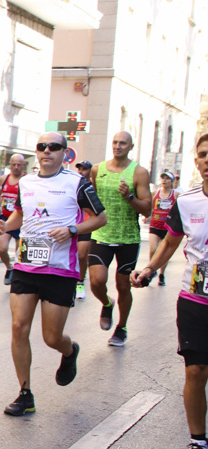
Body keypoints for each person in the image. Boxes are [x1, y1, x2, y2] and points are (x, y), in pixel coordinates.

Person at [0, 133, 106, 416]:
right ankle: (25, 393)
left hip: (60, 269)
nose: (46, 151)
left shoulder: (77, 184)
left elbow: (100, 218)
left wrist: (72, 230)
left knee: (51, 337)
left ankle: (69, 352)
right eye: (41, 147)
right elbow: (21, 215)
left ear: (65, 153)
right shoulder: (26, 183)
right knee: (19, 327)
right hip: (26, 264)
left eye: (53, 147)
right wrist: (5, 227)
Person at [131, 133, 208, 449]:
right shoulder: (188, 201)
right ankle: (198, 442)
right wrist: (149, 268)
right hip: (195, 299)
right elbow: (171, 242)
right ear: (197, 161)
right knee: (195, 371)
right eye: (203, 154)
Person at [88, 131, 152, 346]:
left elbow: (147, 209)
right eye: (115, 142)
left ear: (131, 146)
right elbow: (92, 200)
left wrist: (129, 197)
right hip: (101, 234)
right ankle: (107, 303)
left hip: (128, 238)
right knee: (97, 281)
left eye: (123, 143)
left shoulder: (139, 172)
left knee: (123, 286)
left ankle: (121, 327)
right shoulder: (98, 169)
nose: (118, 146)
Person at [0, 154, 25, 285]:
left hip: (21, 220)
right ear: (10, 165)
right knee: (2, 249)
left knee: (19, 252)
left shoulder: (27, 180)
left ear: (24, 165)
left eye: (19, 164)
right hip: (5, 219)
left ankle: (18, 275)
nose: (16, 167)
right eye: (14, 164)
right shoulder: (4, 179)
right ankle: (9, 267)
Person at [144, 170, 176, 286]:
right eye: (163, 178)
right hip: (155, 225)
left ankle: (162, 273)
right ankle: (152, 269)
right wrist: (147, 216)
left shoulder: (175, 195)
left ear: (171, 182)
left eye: (167, 179)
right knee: (153, 249)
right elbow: (151, 208)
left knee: (163, 252)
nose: (164, 180)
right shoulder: (155, 193)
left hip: (167, 227)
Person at [74, 161, 95, 299]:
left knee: (82, 255)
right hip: (72, 224)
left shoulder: (94, 186)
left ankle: (80, 282)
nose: (81, 171)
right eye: (80, 169)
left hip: (87, 224)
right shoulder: (73, 184)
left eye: (85, 169)